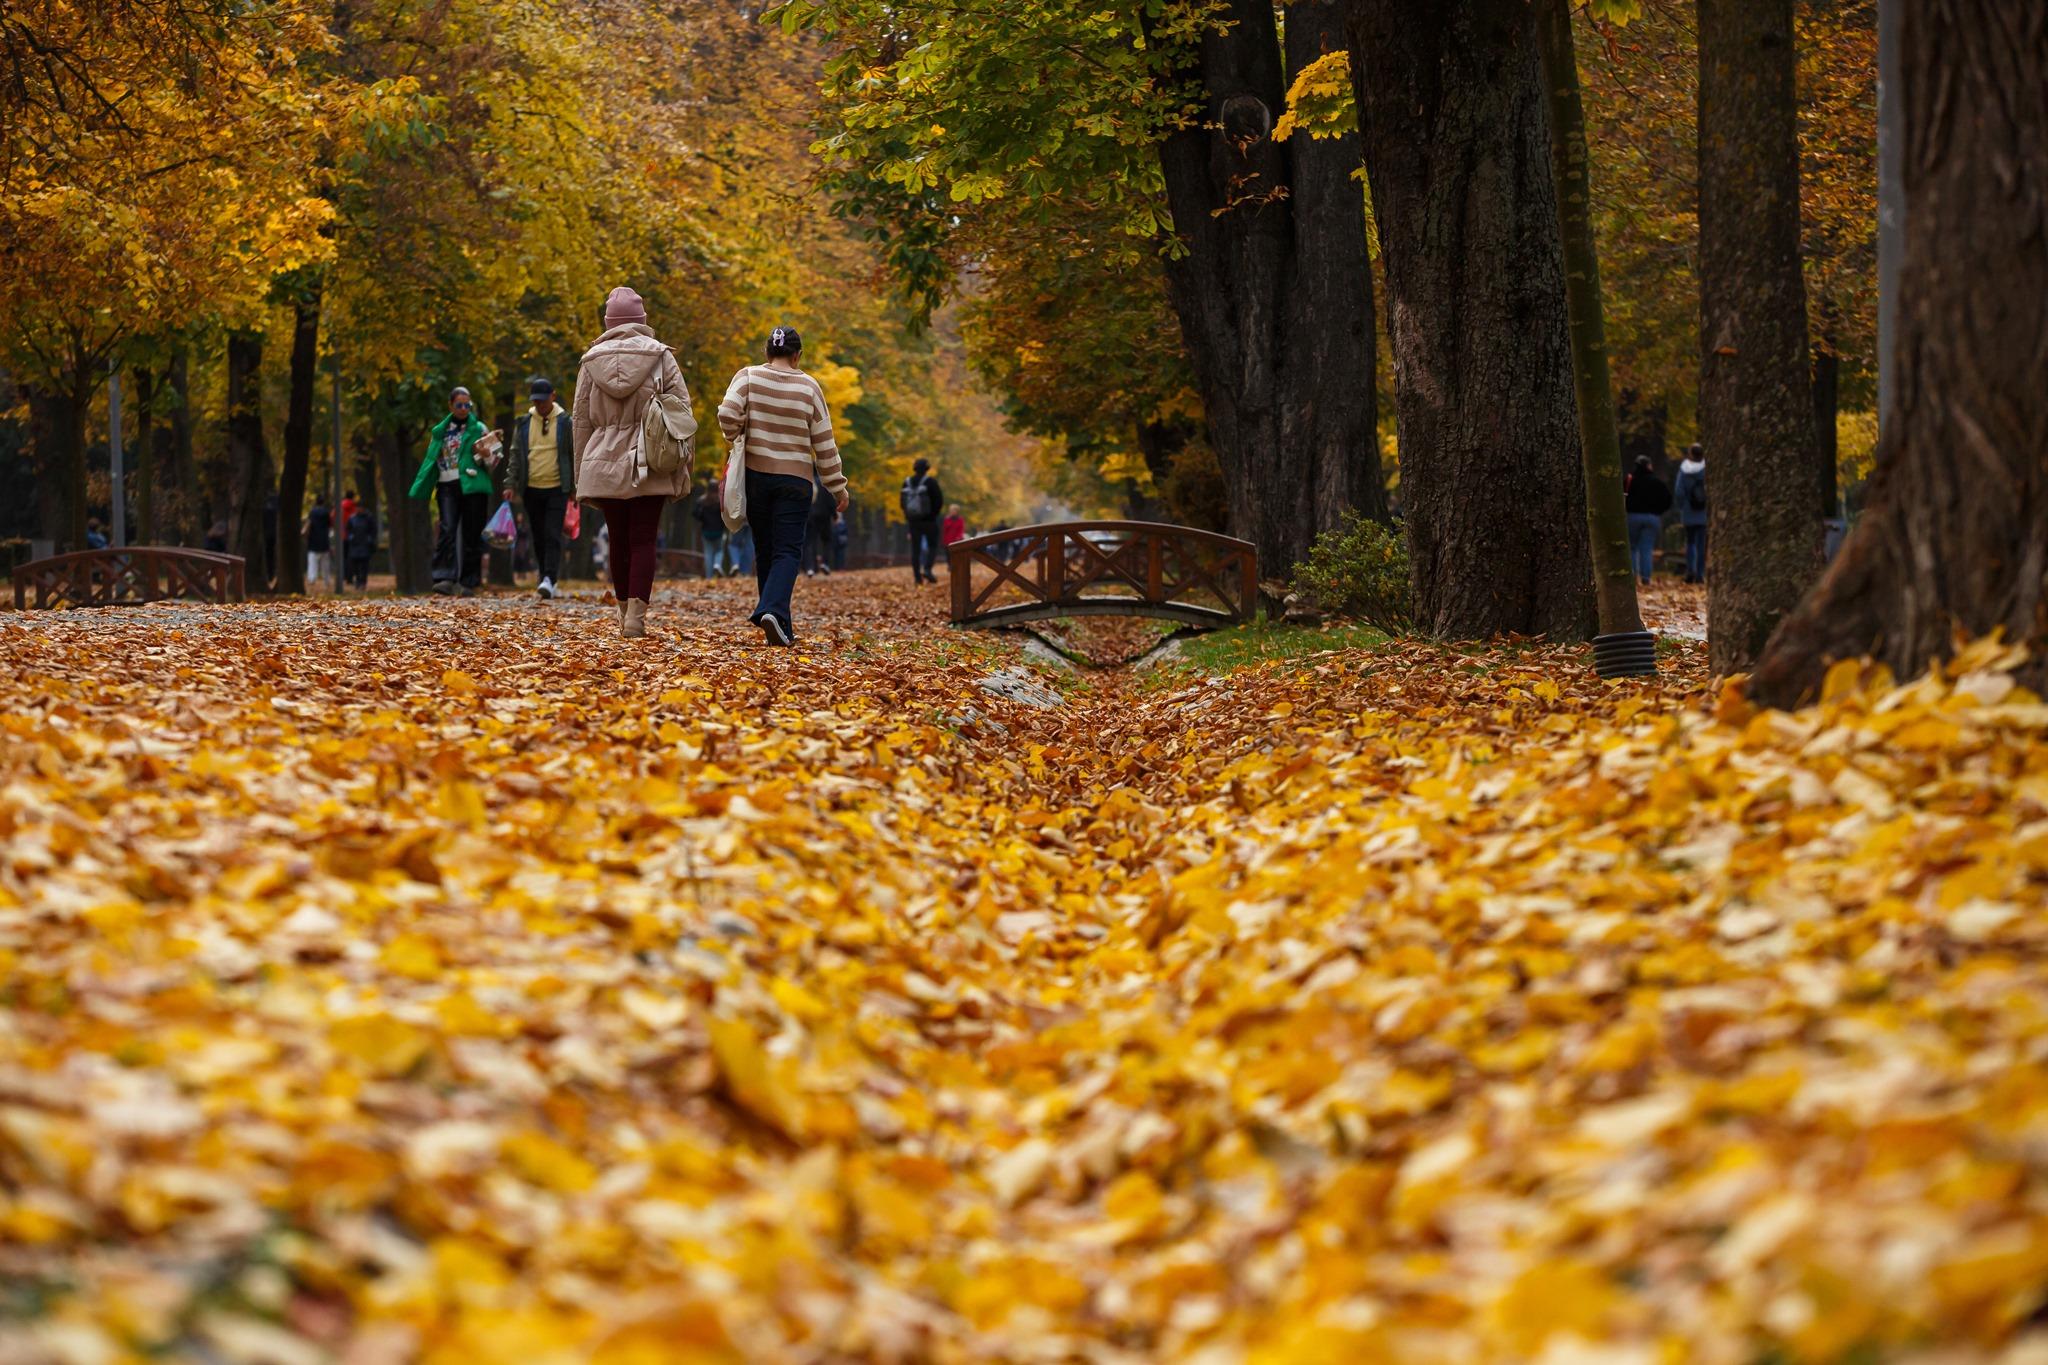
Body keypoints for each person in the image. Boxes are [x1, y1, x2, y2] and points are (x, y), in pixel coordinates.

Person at [574, 286, 692, 638]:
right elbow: (683, 415)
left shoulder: (590, 362)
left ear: (608, 323)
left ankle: (623, 611)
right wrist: (683, 464)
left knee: (618, 540)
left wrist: (582, 470)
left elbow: (581, 422)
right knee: (643, 539)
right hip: (650, 459)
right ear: (642, 321)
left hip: (603, 459)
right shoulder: (661, 357)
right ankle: (636, 620)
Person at [717, 325, 847, 646]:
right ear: (797, 355)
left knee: (765, 549)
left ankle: (778, 623)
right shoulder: (809, 387)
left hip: (756, 477)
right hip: (795, 481)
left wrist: (736, 435)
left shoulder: (747, 377)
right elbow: (824, 444)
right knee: (788, 551)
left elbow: (726, 414)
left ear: (767, 352)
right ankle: (773, 610)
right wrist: (837, 488)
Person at [408, 386, 492, 596]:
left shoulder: (480, 428)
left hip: (473, 484)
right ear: (450, 406)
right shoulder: (440, 430)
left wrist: (485, 453)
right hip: (447, 483)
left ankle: (469, 582)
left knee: (472, 532)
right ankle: (445, 577)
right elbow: (432, 457)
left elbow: (493, 460)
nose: (464, 409)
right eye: (459, 405)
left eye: (467, 405)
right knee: (447, 528)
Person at [508, 376, 574, 600]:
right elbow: (516, 455)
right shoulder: (524, 424)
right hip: (531, 487)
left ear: (553, 397)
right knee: (537, 534)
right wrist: (510, 483)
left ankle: (549, 578)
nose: (540, 405)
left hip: (558, 486)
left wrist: (575, 486)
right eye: (536, 402)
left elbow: (574, 455)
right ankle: (545, 576)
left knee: (552, 533)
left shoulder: (566, 423)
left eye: (543, 401)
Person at [1623, 454, 1672, 586]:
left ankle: (1632, 575)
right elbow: (1667, 500)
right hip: (1652, 518)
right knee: (1646, 548)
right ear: (1648, 466)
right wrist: (1658, 512)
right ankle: (1646, 577)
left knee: (1632, 547)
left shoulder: (1629, 480)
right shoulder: (1657, 482)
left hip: (1632, 516)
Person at [900, 458, 943, 584]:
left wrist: (909, 516)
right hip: (929, 521)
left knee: (915, 549)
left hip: (913, 522)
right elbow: (939, 501)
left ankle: (917, 577)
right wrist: (933, 515)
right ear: (927, 469)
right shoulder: (931, 482)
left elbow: (902, 503)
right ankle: (928, 568)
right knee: (933, 545)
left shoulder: (907, 482)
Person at [1672, 444, 1707, 584]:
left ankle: (1690, 570)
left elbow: (1679, 492)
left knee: (1690, 543)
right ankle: (1700, 574)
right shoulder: (1706, 469)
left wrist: (1683, 506)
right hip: (1703, 512)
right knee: (1701, 544)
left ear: (1690, 454)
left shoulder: (1683, 470)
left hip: (1688, 511)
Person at [693, 477, 731, 579]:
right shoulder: (721, 501)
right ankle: (717, 565)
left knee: (708, 553)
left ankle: (709, 577)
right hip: (719, 532)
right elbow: (725, 515)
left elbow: (696, 515)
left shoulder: (701, 501)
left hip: (706, 532)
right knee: (719, 550)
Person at [806, 478, 837, 577]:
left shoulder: (809, 482)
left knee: (811, 541)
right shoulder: (825, 483)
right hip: (825, 516)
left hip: (810, 516)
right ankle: (825, 563)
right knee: (827, 540)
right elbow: (831, 500)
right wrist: (835, 515)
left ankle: (811, 567)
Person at [343, 503, 377, 590]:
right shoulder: (352, 518)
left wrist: (370, 539)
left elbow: (373, 530)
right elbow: (348, 529)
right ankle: (358, 581)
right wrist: (351, 537)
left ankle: (363, 582)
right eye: (357, 508)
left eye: (360, 507)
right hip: (355, 545)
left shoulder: (369, 518)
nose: (358, 509)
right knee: (355, 565)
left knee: (364, 565)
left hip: (365, 545)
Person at [305, 502, 333, 585]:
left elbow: (309, 524)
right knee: (325, 562)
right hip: (324, 539)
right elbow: (330, 524)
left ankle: (312, 578)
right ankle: (326, 580)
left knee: (312, 561)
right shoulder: (326, 512)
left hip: (313, 539)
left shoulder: (312, 512)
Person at [940, 504, 967, 575]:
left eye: (954, 510)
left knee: (956, 554)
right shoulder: (947, 519)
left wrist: (959, 537)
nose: (952, 512)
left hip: (957, 540)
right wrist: (943, 540)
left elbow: (961, 529)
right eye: (951, 510)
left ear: (957, 511)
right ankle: (950, 566)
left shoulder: (960, 519)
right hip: (948, 540)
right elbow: (944, 530)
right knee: (948, 555)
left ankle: (955, 567)